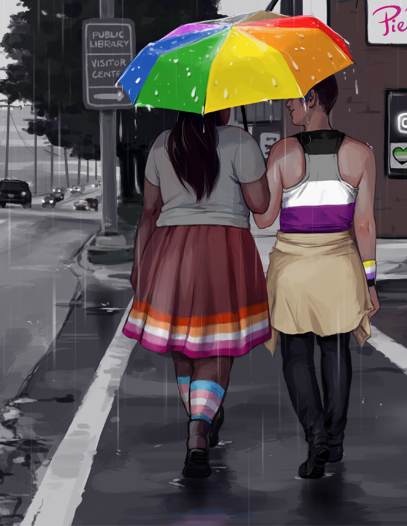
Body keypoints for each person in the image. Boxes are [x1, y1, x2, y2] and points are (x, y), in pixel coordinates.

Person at [123, 107, 270, 479]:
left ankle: (199, 420)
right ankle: (200, 430)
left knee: (184, 345)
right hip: (225, 249)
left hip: (170, 250)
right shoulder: (240, 142)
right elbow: (260, 204)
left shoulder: (162, 145)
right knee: (216, 344)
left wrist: (139, 266)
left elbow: (149, 213)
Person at [252, 74, 380, 480]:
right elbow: (364, 226)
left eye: (292, 101)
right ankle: (336, 438)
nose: (287, 109)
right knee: (335, 349)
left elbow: (265, 219)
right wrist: (370, 280)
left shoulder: (281, 153)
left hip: (293, 267)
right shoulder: (361, 155)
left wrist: (253, 185)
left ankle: (315, 436)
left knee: (296, 354)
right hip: (339, 265)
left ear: (311, 99)